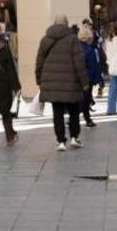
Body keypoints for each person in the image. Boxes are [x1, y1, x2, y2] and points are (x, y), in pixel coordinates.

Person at [36, 15, 89, 151]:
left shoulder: (45, 40)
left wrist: (39, 80)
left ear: (54, 24)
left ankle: (60, 141)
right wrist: (84, 82)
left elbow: (39, 62)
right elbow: (79, 62)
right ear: (66, 24)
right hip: (71, 82)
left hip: (52, 83)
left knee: (57, 112)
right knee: (73, 111)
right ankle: (74, 137)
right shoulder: (72, 39)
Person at [78, 26, 101, 128]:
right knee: (86, 100)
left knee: (77, 99)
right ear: (89, 38)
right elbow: (93, 66)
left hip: (76, 78)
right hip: (87, 79)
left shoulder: (76, 49)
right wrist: (96, 80)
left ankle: (73, 119)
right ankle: (87, 120)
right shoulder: (91, 50)